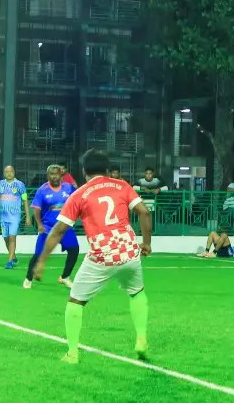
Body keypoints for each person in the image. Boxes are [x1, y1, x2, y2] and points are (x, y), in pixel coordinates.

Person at [33, 149, 153, 364]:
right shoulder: (122, 186)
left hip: (102, 255)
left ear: (84, 171)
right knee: (137, 293)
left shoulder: (79, 194)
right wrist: (146, 243)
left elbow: (59, 230)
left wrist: (41, 262)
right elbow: (144, 212)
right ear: (107, 169)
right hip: (128, 251)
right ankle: (142, 339)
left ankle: (72, 353)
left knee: (75, 302)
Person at [26, 164, 79, 290]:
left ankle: (65, 277)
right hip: (47, 228)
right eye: (51, 174)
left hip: (65, 227)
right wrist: (39, 225)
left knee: (74, 249)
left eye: (56, 174)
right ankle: (28, 278)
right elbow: (36, 210)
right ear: (47, 176)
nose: (54, 176)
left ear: (61, 175)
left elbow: (78, 201)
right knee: (38, 255)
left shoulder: (69, 188)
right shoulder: (42, 190)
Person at [0, 165, 27, 268]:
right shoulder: (0, 184)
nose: (9, 173)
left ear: (14, 172)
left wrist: (27, 216)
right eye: (7, 171)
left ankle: (9, 261)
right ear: (4, 173)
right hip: (3, 216)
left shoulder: (20, 185)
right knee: (6, 238)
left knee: (12, 237)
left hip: (15, 216)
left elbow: (25, 200)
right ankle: (14, 257)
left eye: (11, 171)